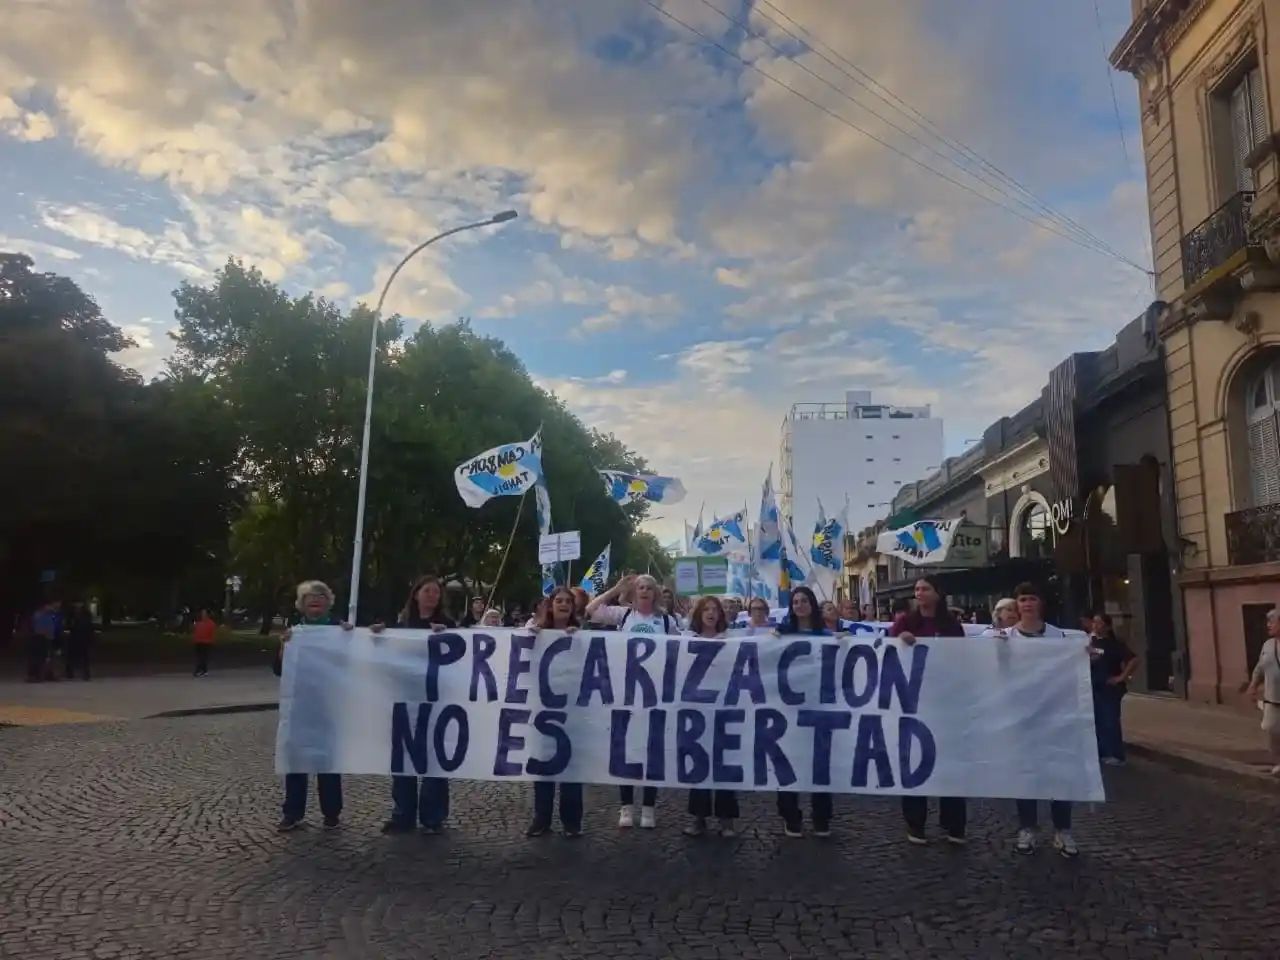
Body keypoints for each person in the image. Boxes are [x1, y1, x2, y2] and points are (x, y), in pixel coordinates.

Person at [586, 573, 681, 828]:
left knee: (652, 750)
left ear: (656, 593)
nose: (645, 591)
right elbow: (590, 610)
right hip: (625, 694)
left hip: (656, 696)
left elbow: (681, 650)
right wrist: (616, 589)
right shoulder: (624, 615)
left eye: (649, 587)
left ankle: (648, 807)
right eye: (640, 587)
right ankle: (626, 807)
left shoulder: (666, 620)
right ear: (634, 592)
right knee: (624, 749)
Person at [890, 576, 968, 845]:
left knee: (950, 763)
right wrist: (899, 639)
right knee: (914, 763)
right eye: (917, 589)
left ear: (938, 593)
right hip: (914, 702)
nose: (919, 593)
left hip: (946, 703)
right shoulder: (906, 622)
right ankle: (915, 823)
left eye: (925, 588)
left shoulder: (952, 626)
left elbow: (963, 658)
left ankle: (954, 823)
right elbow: (887, 650)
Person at [1005, 582, 1080, 858]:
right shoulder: (1005, 638)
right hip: (1021, 717)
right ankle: (1027, 828)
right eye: (1022, 599)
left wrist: (1088, 659)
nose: (1027, 604)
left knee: (1059, 774)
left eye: (1032, 598)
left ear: (1041, 603)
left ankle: (1063, 830)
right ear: (1017, 604)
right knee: (1026, 775)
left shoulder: (1059, 637)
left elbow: (1077, 663)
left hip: (1055, 717)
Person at [378, 576, 455, 835]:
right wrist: (376, 635)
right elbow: (382, 650)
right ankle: (403, 814)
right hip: (404, 698)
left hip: (436, 698)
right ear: (416, 594)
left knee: (434, 758)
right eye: (427, 591)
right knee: (404, 758)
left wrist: (449, 637)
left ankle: (433, 817)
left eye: (436, 592)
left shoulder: (448, 624)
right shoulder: (400, 624)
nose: (433, 595)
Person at [275, 581, 353, 831]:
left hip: (329, 705)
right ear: (302, 604)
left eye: (320, 596)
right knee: (296, 759)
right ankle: (293, 811)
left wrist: (351, 637)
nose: (315, 600)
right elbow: (279, 670)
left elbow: (354, 662)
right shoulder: (295, 632)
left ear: (328, 602)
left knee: (327, 761)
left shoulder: (339, 629)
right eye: (310, 597)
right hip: (300, 705)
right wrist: (283, 647)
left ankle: (332, 811)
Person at [774, 586, 834, 838]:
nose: (799, 605)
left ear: (812, 604)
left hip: (820, 709)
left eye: (804, 600)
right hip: (789, 710)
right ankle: (791, 816)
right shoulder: (782, 635)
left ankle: (822, 817)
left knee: (820, 766)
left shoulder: (826, 635)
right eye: (795, 602)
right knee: (789, 763)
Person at [524, 587, 585, 837]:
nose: (563, 605)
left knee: (572, 767)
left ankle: (572, 822)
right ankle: (542, 819)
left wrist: (578, 639)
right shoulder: (534, 628)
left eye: (568, 602)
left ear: (573, 607)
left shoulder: (582, 632)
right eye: (558, 601)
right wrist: (532, 636)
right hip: (542, 707)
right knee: (543, 765)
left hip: (572, 709)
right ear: (550, 605)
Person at [683, 595, 740, 838]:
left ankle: (726, 819)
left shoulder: (732, 639)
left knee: (724, 764)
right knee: (699, 763)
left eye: (714, 609)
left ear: (720, 615)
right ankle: (699, 817)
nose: (710, 613)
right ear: (698, 614)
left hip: (724, 709)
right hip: (697, 710)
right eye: (705, 609)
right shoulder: (686, 640)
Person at [1089, 612, 1139, 765]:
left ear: (1108, 626)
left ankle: (1117, 755)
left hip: (1110, 687)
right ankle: (1102, 753)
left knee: (1110, 720)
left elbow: (1134, 660)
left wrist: (1121, 677)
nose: (1095, 626)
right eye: (1094, 622)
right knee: (1097, 721)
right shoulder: (1091, 642)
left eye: (1099, 623)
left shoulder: (1115, 644)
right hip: (1093, 686)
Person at [1243, 606, 1280, 776]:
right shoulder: (1268, 645)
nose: (1269, 625)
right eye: (1268, 622)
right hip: (1272, 699)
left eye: (1272, 622)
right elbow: (1260, 668)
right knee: (1271, 730)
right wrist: (1253, 685)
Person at [26, 599, 61, 683]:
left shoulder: (51, 615)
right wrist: (47, 633)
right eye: (52, 606)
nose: (54, 607)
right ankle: (34, 675)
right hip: (40, 638)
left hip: (48, 638)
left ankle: (46, 674)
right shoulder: (39, 615)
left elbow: (53, 626)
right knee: (38, 657)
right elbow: (38, 628)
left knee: (48, 657)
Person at [64, 600, 94, 680]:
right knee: (71, 656)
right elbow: (67, 626)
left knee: (85, 656)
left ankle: (86, 673)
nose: (78, 606)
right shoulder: (70, 615)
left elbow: (90, 626)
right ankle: (69, 672)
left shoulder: (86, 615)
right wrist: (67, 632)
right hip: (73, 638)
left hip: (84, 637)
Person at [192, 609, 216, 677]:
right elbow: (195, 631)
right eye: (202, 613)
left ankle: (199, 670)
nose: (203, 615)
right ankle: (204, 670)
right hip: (198, 641)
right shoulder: (198, 622)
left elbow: (210, 632)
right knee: (201, 657)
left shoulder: (210, 623)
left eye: (204, 613)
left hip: (206, 642)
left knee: (203, 657)